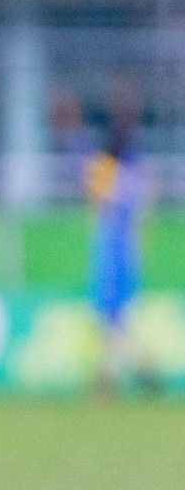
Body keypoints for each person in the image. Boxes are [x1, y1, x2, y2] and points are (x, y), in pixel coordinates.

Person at [84, 96, 150, 389]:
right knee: (116, 319)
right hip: (120, 248)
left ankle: (114, 374)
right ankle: (135, 369)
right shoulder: (130, 169)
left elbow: (100, 207)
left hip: (112, 249)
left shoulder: (105, 169)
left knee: (112, 319)